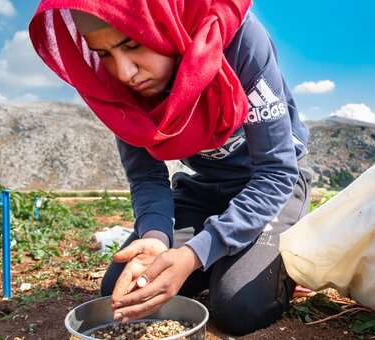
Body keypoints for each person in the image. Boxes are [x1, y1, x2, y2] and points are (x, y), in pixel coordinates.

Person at [29, 0, 311, 335]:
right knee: (123, 291)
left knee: (239, 306)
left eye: (132, 44)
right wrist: (155, 237)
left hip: (272, 188)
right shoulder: (118, 87)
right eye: (103, 54)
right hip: (205, 187)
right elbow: (146, 176)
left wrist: (196, 253)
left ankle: (262, 258)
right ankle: (223, 253)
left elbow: (276, 173)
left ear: (165, 22)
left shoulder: (238, 41)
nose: (124, 72)